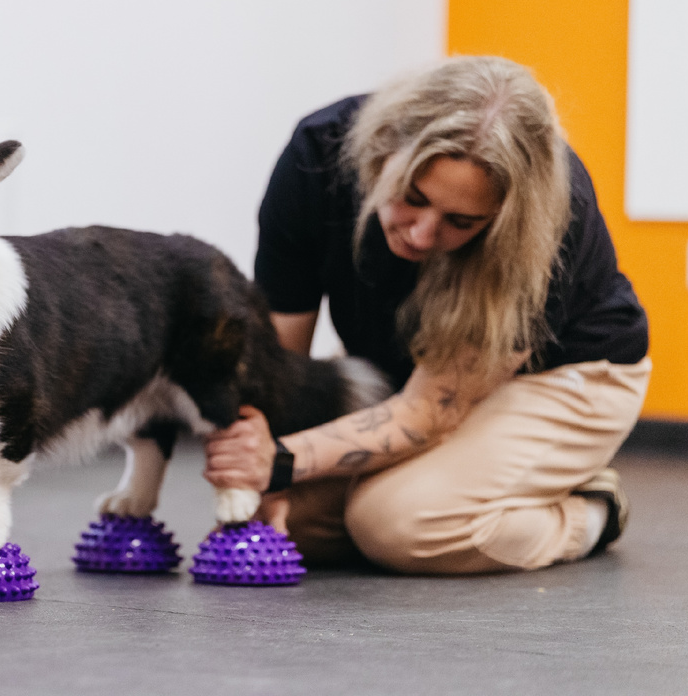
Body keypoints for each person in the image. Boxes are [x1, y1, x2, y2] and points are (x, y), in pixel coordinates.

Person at [204, 55, 650, 574]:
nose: (420, 235)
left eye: (461, 222)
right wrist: (264, 470)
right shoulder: (316, 154)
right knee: (292, 524)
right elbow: (281, 354)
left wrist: (280, 461)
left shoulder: (548, 210)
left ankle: (591, 512)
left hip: (563, 376)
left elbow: (431, 410)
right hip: (410, 372)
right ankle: (464, 492)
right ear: (382, 151)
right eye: (411, 197)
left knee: (394, 524)